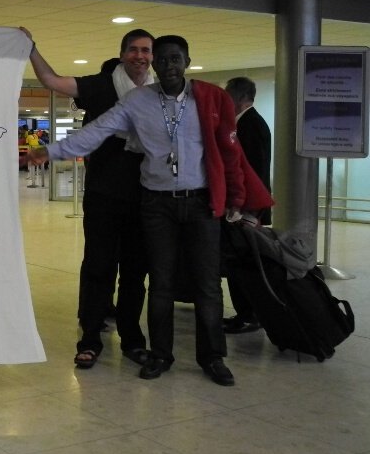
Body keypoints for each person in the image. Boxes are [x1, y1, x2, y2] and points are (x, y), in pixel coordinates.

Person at [31, 36, 273, 386]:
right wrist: (51, 151)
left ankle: (212, 357)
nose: (168, 65)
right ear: (154, 66)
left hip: (202, 202)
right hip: (156, 203)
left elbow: (229, 153)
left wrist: (236, 199)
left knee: (207, 284)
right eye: (162, 59)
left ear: (187, 61)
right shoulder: (136, 101)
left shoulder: (210, 98)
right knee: (161, 283)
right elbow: (96, 132)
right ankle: (161, 354)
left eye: (176, 58)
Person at [21, 26, 153, 370]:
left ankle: (132, 339)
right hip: (104, 193)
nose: (141, 56)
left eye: (146, 50)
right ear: (123, 53)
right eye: (134, 50)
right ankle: (90, 338)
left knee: (136, 273)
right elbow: (52, 81)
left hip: (147, 195)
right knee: (99, 267)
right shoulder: (102, 85)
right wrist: (31, 48)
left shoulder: (160, 93)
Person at [222, 76, 272, 334]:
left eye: (227, 97)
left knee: (242, 263)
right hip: (244, 207)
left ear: (240, 98)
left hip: (247, 208)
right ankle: (246, 313)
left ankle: (249, 314)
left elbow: (255, 170)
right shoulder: (248, 123)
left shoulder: (251, 126)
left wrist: (249, 210)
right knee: (236, 262)